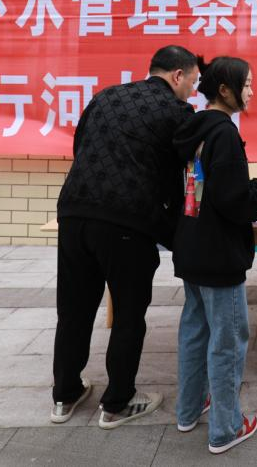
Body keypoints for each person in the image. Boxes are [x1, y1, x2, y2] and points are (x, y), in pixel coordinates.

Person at [51, 46, 198, 428]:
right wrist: (173, 228)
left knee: (73, 311)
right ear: (177, 76)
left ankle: (65, 395)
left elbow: (80, 147)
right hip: (126, 224)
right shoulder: (177, 111)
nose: (191, 93)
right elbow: (177, 175)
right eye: (192, 83)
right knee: (130, 314)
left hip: (74, 212)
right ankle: (117, 402)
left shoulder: (106, 96)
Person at [172, 57, 257, 454]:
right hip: (219, 254)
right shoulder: (224, 133)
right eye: (246, 85)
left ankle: (188, 410)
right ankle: (226, 428)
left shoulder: (194, 128)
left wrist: (252, 188)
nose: (251, 91)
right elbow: (233, 201)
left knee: (195, 333)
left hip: (192, 246)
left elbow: (212, 187)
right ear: (225, 91)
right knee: (227, 341)